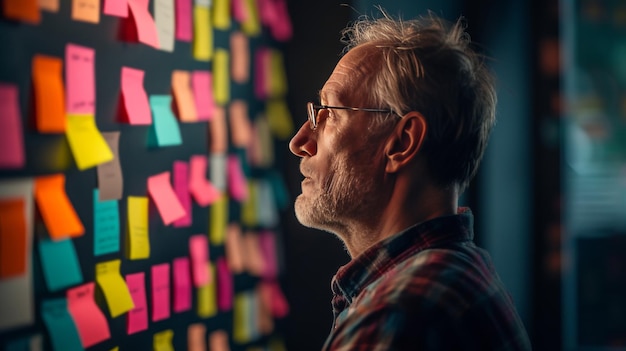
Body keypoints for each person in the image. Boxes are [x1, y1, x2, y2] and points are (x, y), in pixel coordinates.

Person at [288, 9, 532, 351]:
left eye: (329, 115)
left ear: (402, 143)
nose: (299, 142)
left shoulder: (398, 313)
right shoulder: (456, 272)